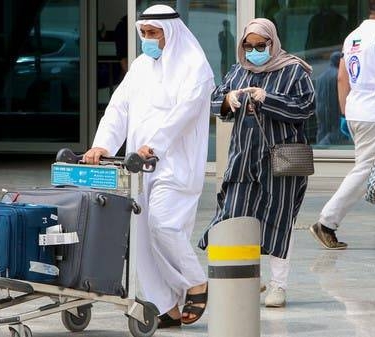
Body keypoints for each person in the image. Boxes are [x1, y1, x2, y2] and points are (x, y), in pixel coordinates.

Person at [83, 4, 214, 328]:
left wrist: (153, 145)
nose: (147, 40)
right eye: (143, 34)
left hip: (175, 165)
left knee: (164, 226)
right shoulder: (141, 66)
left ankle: (195, 281)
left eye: (153, 33)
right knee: (140, 236)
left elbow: (181, 115)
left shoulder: (195, 67)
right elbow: (118, 108)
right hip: (139, 167)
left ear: (170, 33)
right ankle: (165, 305)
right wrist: (103, 144)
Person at [198, 18, 315, 308]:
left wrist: (269, 99)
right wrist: (229, 99)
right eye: (248, 46)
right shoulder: (239, 70)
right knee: (233, 214)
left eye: (260, 46)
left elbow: (306, 107)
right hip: (243, 157)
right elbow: (215, 102)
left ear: (272, 43)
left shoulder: (294, 70)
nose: (253, 51)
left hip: (281, 159)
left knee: (278, 219)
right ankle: (247, 276)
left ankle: (279, 285)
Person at [309, 0, 375, 250]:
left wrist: (346, 110)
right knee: (367, 170)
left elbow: (343, 77)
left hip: (359, 111)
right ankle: (327, 222)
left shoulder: (354, 36)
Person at [315, 51, 343, 145]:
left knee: (323, 131)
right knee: (334, 134)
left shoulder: (320, 77)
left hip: (321, 109)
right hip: (333, 108)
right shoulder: (338, 75)